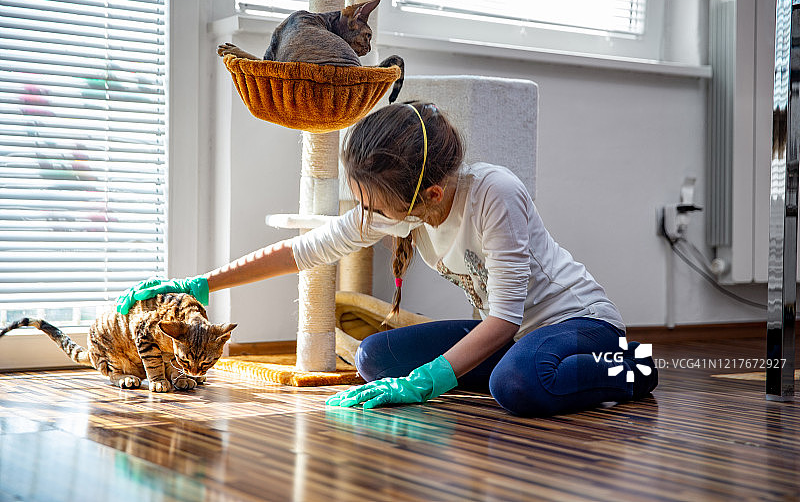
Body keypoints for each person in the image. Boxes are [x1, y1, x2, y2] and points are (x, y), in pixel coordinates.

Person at [116, 101, 657, 417]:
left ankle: (633, 367)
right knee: (375, 358)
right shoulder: (397, 208)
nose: (364, 214)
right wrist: (200, 284)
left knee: (516, 386)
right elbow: (302, 250)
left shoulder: (495, 192)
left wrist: (427, 381)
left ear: (433, 195)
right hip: (515, 333)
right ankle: (511, 368)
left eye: (371, 204)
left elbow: (505, 315)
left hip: (577, 322)